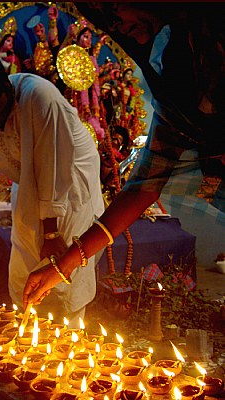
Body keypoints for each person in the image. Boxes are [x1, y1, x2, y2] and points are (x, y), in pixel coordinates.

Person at [23, 2, 225, 308]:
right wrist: (62, 266)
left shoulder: (212, 44)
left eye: (115, 8)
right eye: (109, 20)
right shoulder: (174, 89)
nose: (116, 25)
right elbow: (143, 187)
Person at [0, 48, 105, 327]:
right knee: (23, 267)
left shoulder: (38, 96)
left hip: (71, 182)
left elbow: (53, 168)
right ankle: (30, 337)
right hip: (29, 186)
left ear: (6, 88)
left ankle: (71, 340)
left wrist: (52, 232)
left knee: (65, 266)